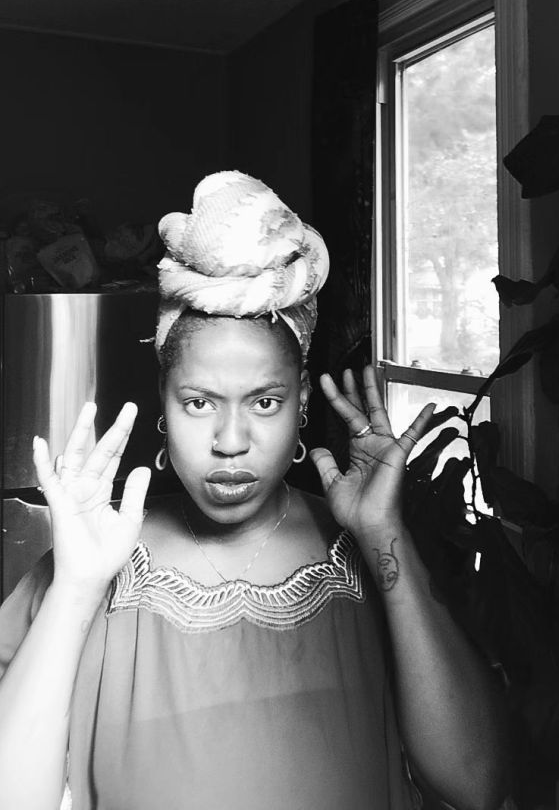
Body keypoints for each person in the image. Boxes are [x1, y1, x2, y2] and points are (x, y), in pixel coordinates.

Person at [0, 171, 507, 810]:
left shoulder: (362, 553)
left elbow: (475, 783)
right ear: (163, 404)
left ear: (300, 408)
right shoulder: (92, 562)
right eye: (199, 402)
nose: (230, 440)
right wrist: (76, 587)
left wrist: (386, 536)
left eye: (264, 401)